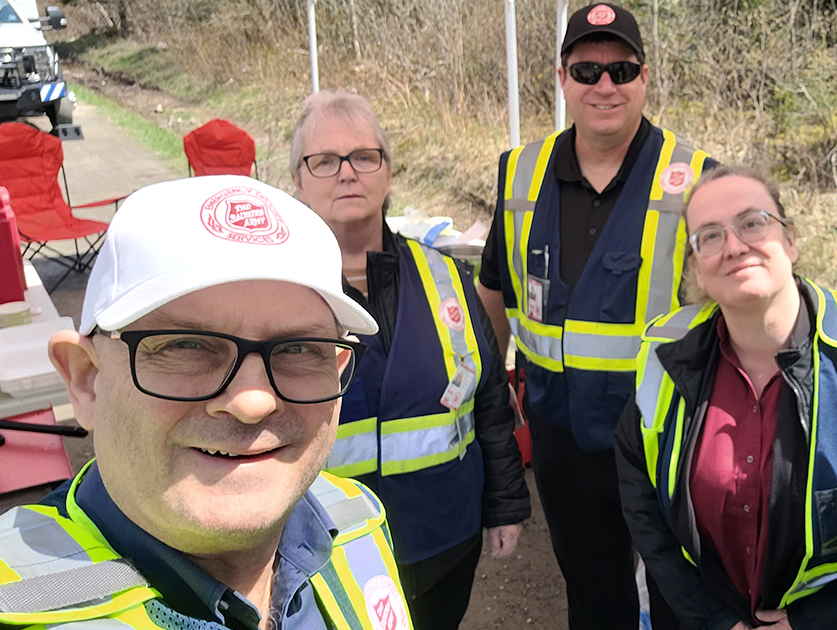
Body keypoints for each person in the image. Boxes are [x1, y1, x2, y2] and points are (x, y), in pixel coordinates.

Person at [0, 176, 412, 630]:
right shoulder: (17, 598)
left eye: (298, 349)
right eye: (187, 346)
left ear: (335, 371)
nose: (253, 401)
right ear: (87, 380)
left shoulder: (355, 517)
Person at [614, 165, 837, 630]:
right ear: (696, 269)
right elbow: (643, 500)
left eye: (752, 223)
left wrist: (815, 621)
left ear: (791, 240)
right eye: (709, 236)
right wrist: (711, 619)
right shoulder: (665, 355)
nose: (733, 246)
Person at [476, 3, 717, 627]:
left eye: (621, 69)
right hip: (563, 440)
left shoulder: (699, 181)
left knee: (683, 602)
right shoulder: (519, 174)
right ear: (562, 79)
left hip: (671, 440)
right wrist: (489, 407)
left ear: (644, 78)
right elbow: (495, 294)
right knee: (594, 599)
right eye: (587, 70)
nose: (604, 85)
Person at [290, 91, 530, 630]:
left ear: (388, 172)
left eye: (364, 156)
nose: (347, 173)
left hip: (444, 542)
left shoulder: (447, 278)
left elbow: (488, 396)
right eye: (325, 161)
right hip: (322, 551)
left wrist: (505, 504)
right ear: (298, 183)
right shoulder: (274, 298)